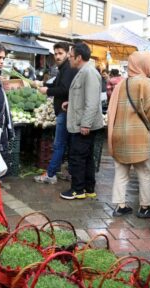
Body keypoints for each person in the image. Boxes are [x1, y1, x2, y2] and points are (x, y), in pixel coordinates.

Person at [107, 51, 150, 218]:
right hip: (139, 136)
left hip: (118, 134)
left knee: (121, 172)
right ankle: (145, 207)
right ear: (144, 65)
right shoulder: (147, 84)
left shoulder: (121, 84)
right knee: (145, 172)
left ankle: (120, 206)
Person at [60, 42, 104, 200]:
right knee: (86, 157)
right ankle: (88, 188)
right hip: (82, 123)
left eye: (71, 56)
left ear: (79, 57)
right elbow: (83, 97)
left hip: (83, 125)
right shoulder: (83, 71)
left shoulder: (89, 72)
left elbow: (92, 102)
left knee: (77, 157)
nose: (69, 59)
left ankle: (77, 189)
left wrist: (86, 124)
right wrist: (70, 103)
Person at [34, 42, 77, 184]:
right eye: (56, 53)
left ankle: (51, 174)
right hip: (64, 111)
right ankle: (71, 173)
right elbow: (59, 85)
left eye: (61, 53)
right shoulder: (63, 68)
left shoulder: (68, 68)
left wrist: (48, 91)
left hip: (64, 112)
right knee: (64, 144)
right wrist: (45, 85)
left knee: (59, 144)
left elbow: (64, 90)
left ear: (67, 53)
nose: (58, 56)